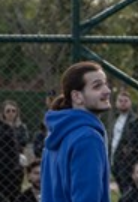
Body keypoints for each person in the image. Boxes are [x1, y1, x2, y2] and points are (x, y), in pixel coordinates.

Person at [40, 61, 111, 202]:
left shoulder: (55, 135)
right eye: (97, 86)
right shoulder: (88, 138)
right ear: (77, 96)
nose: (107, 90)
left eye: (105, 84)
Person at [111, 91, 135, 193]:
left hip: (127, 160)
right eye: (120, 101)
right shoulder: (116, 118)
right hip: (115, 158)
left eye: (126, 101)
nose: (123, 103)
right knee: (121, 188)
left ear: (130, 103)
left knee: (127, 188)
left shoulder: (134, 119)